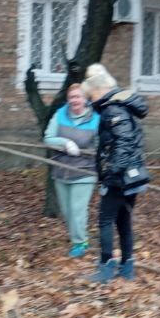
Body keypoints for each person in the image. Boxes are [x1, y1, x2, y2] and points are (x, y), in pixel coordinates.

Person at [83, 63, 149, 283]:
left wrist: (112, 171)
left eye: (90, 96)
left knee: (105, 220)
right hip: (132, 176)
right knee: (123, 220)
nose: (90, 102)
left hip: (120, 177)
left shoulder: (113, 110)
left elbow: (123, 142)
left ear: (98, 91)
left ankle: (105, 269)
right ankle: (127, 268)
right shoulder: (122, 106)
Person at [43, 82, 100, 258]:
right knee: (67, 212)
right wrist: (65, 143)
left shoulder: (96, 118)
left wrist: (94, 154)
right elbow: (48, 138)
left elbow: (100, 146)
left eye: (78, 97)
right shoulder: (60, 115)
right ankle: (79, 236)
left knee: (77, 210)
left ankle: (80, 242)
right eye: (72, 97)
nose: (75, 100)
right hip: (61, 170)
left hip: (85, 171)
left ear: (85, 99)